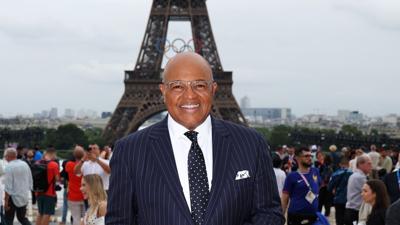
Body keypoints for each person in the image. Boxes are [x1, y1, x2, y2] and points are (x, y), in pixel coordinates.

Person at [105, 52, 284, 225]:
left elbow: (268, 213)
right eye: (177, 86)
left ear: (213, 89)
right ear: (163, 90)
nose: (189, 95)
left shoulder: (251, 144)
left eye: (199, 85)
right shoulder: (129, 152)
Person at [281, 146, 321, 225]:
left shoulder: (315, 171)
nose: (310, 158)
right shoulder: (292, 176)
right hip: (296, 216)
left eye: (311, 156)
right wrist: (281, 217)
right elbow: (284, 198)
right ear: (297, 158)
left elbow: (317, 188)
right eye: (306, 156)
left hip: (313, 215)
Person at [3, 148, 33, 225]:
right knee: (22, 218)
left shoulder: (9, 167)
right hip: (23, 195)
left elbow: (8, 186)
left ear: (8, 156)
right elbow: (30, 180)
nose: (5, 158)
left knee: (8, 219)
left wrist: (6, 201)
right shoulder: (24, 164)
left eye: (5, 156)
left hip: (12, 197)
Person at [344, 154, 372, 225]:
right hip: (355, 211)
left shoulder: (355, 175)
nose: (371, 166)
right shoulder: (360, 177)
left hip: (351, 210)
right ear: (360, 164)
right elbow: (371, 193)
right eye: (368, 163)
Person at [36, 147, 60, 225]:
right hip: (49, 193)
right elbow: (57, 179)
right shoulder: (54, 164)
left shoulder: (38, 163)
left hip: (38, 191)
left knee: (40, 213)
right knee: (47, 213)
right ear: (52, 154)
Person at [327, 157, 352, 225]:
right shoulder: (353, 173)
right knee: (349, 219)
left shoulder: (336, 174)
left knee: (339, 219)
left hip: (338, 199)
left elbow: (329, 187)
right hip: (350, 200)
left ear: (340, 164)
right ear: (349, 164)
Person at [66, 146, 86, 225]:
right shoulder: (86, 165)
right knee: (86, 219)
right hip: (84, 195)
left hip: (73, 196)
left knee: (76, 219)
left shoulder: (69, 164)